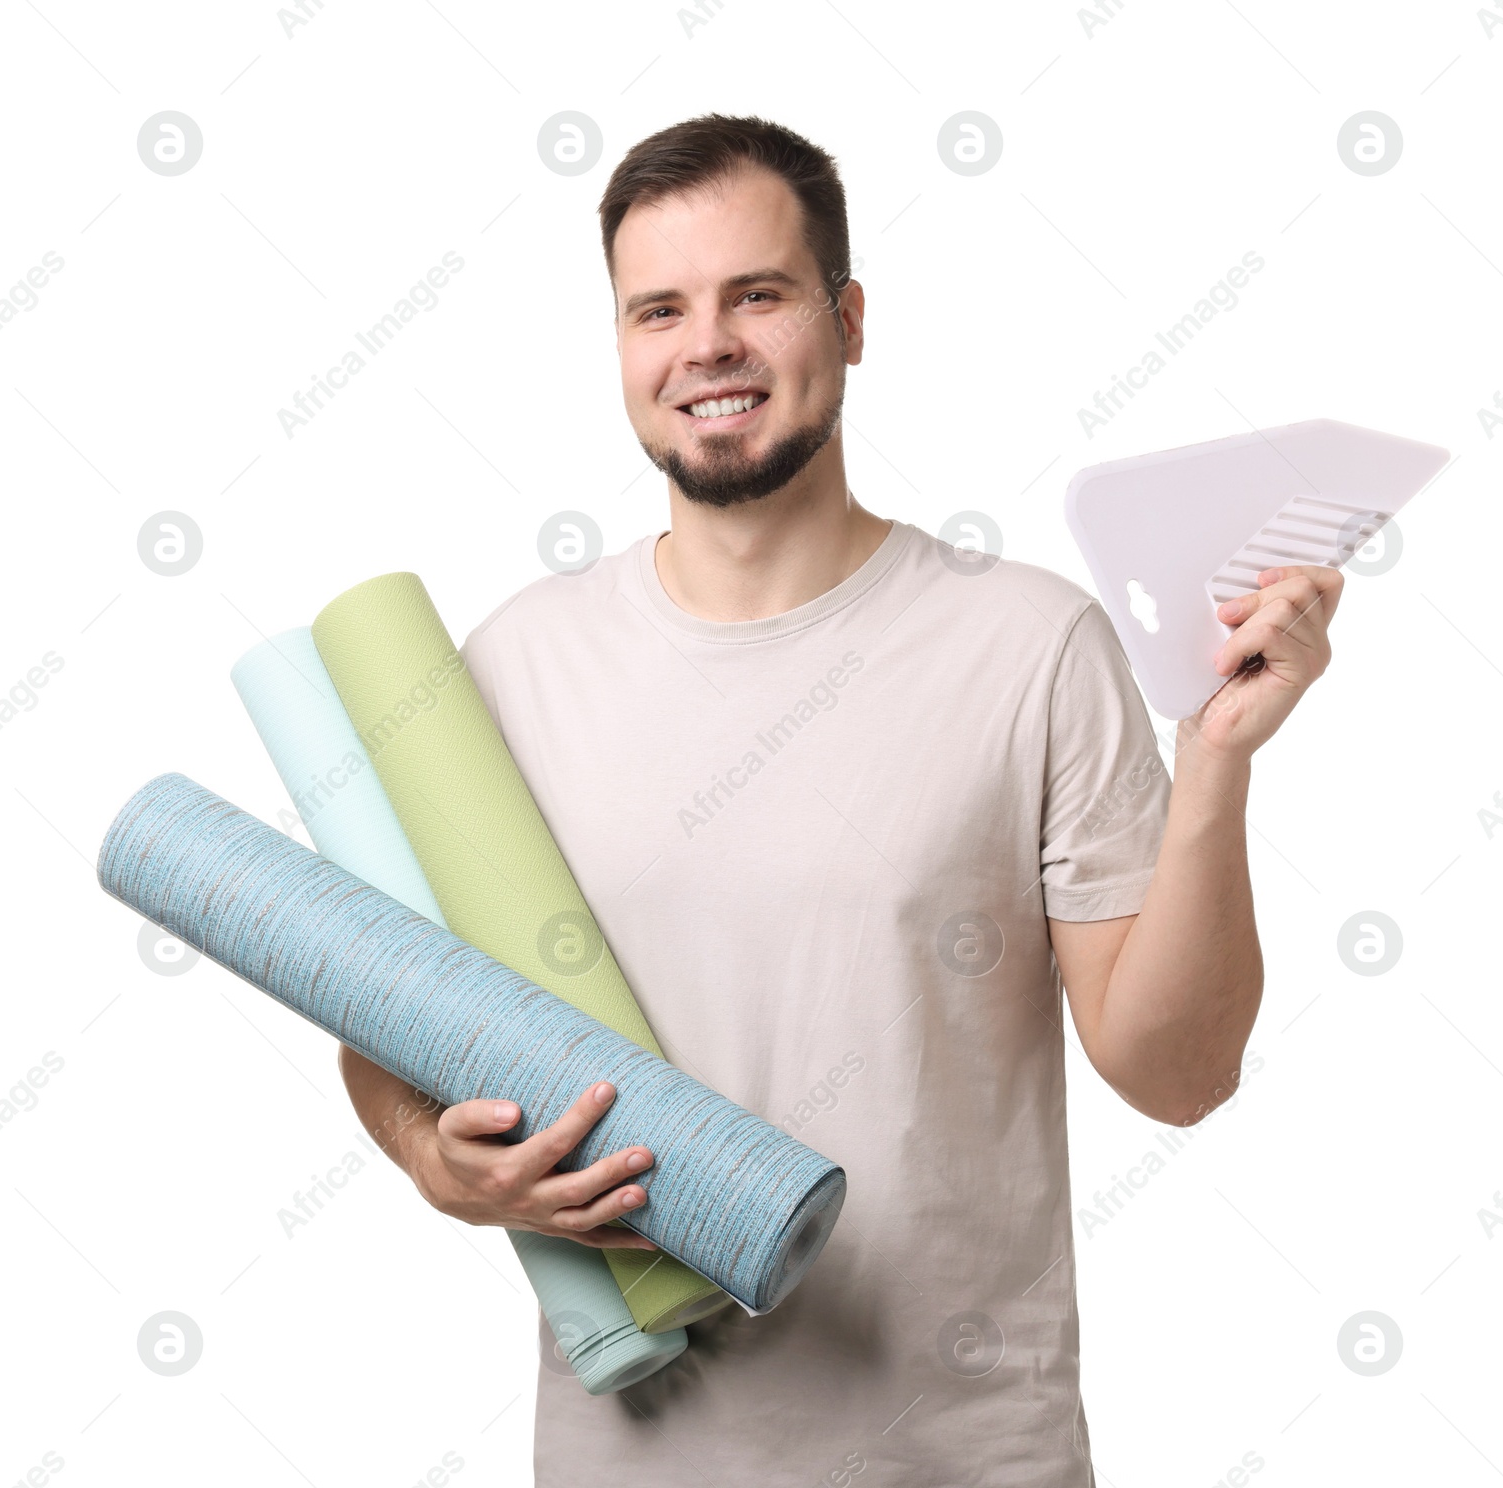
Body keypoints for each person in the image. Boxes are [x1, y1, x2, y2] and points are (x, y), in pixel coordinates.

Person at [339, 112, 1341, 1485]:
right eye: (659, 310)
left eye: (757, 294)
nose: (709, 346)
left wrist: (1216, 763)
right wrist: (432, 1162)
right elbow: (388, 1015)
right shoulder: (514, 666)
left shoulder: (1027, 647)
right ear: (622, 348)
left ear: (849, 318)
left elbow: (1178, 1073)